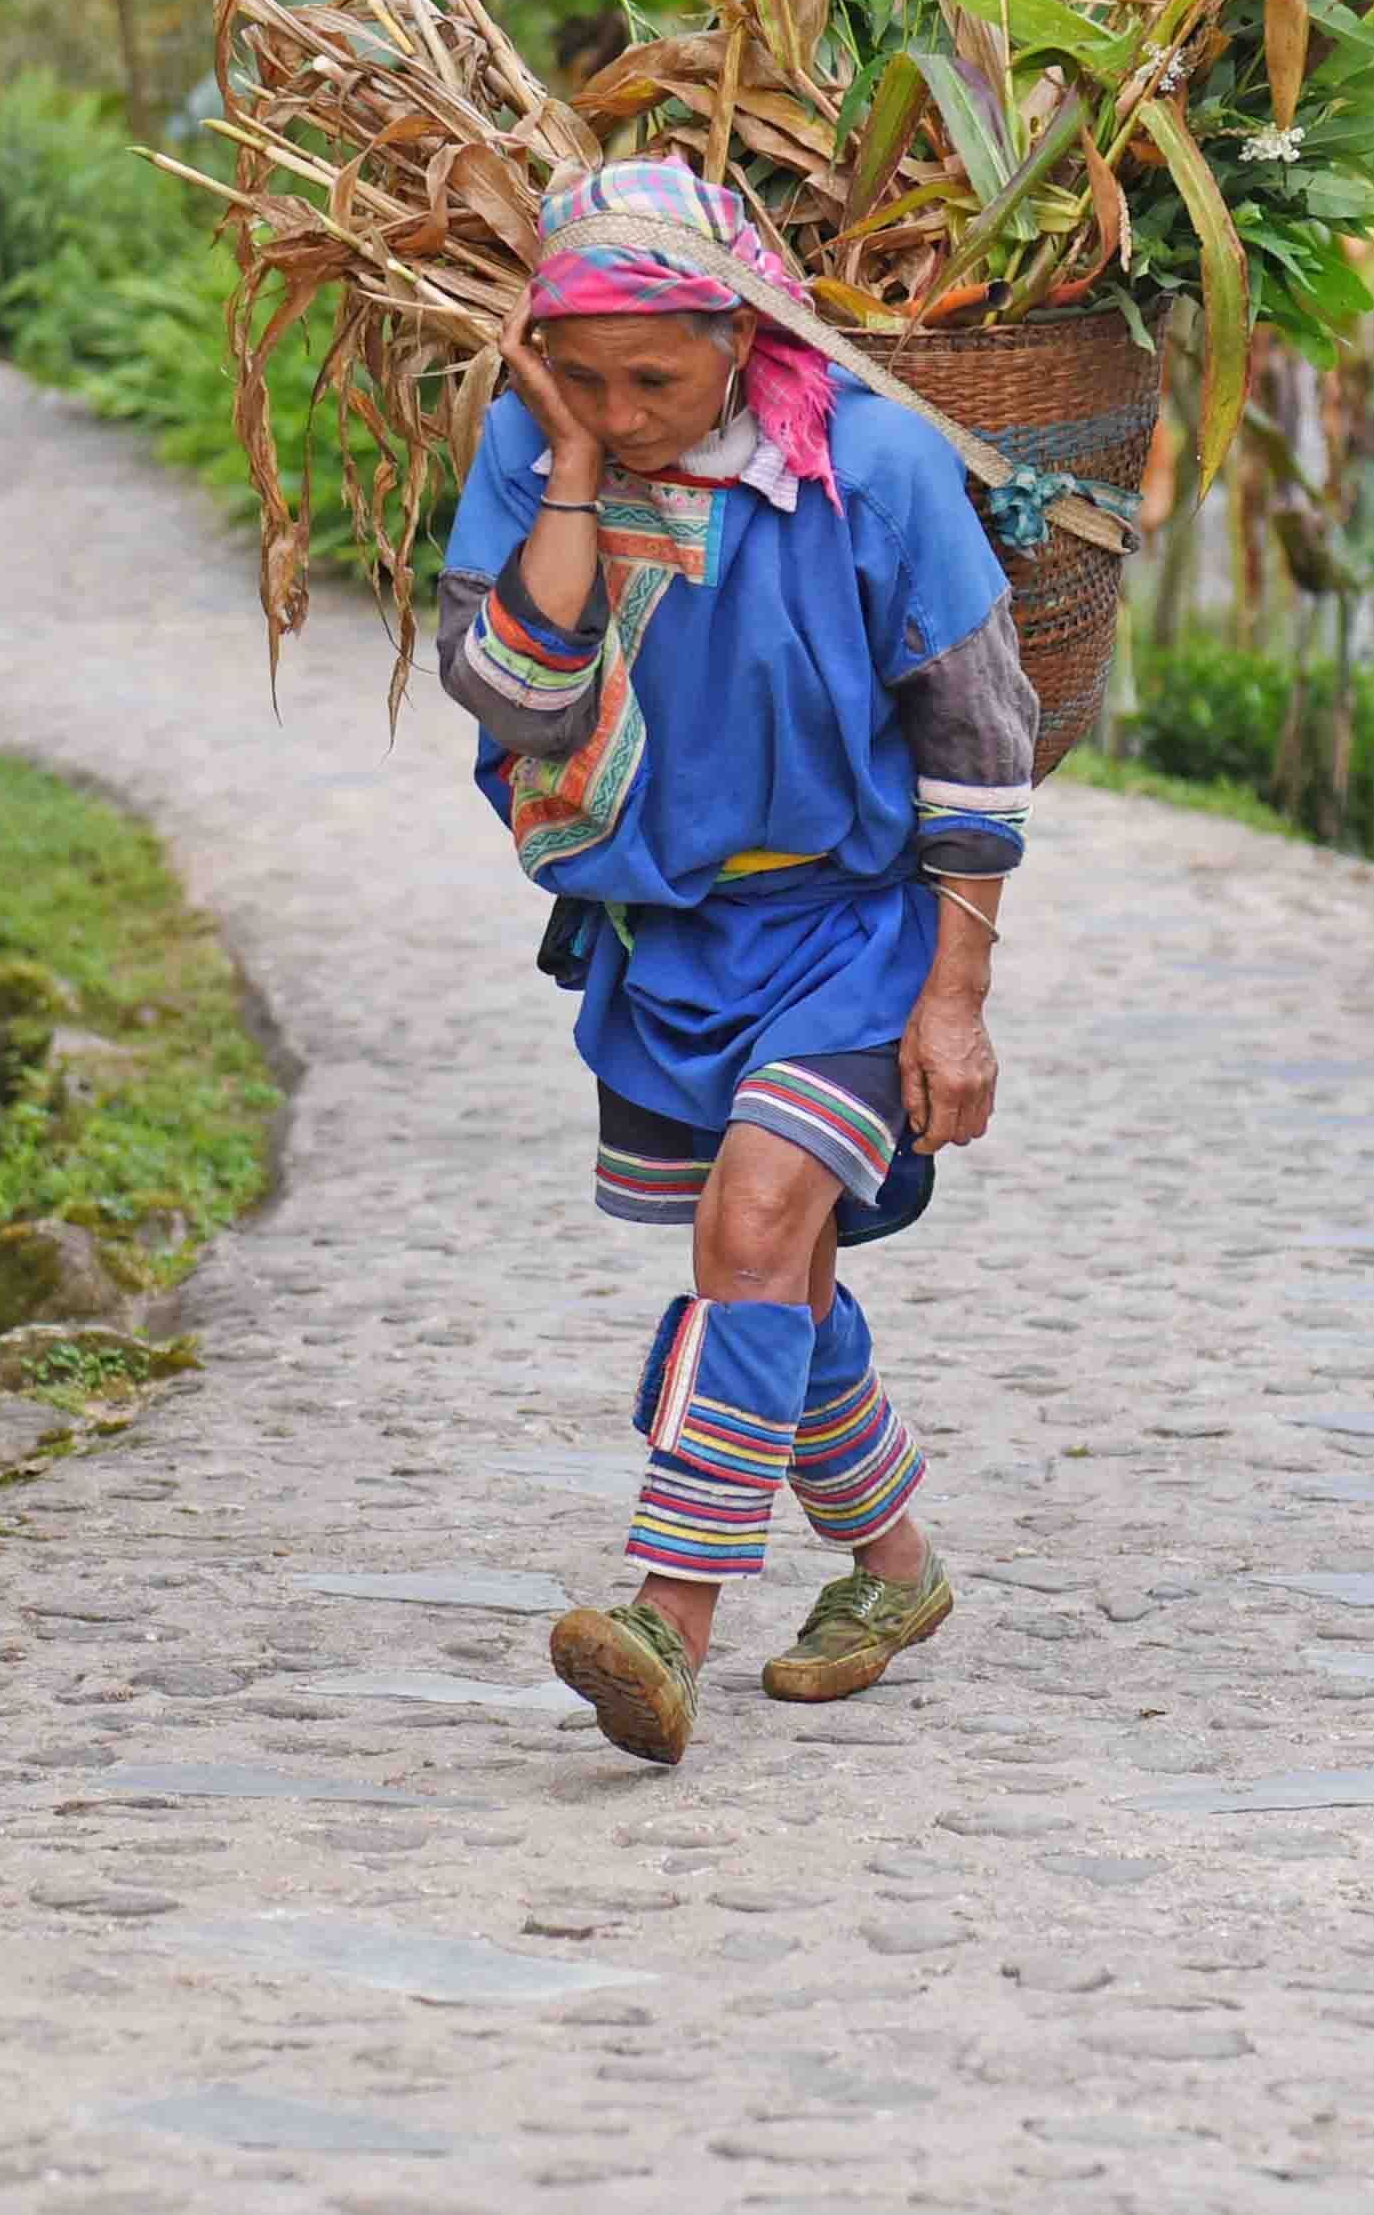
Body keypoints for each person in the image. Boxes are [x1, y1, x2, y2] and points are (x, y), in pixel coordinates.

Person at [432, 159, 1036, 1770]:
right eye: (587, 376)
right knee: (787, 1275)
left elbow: (979, 746)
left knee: (753, 1219)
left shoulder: (877, 465)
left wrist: (954, 1001)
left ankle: (665, 1615)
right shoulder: (533, 456)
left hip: (855, 928)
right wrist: (563, 458)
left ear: (741, 329)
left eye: (657, 376)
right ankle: (896, 1570)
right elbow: (515, 699)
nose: (626, 408)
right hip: (670, 942)